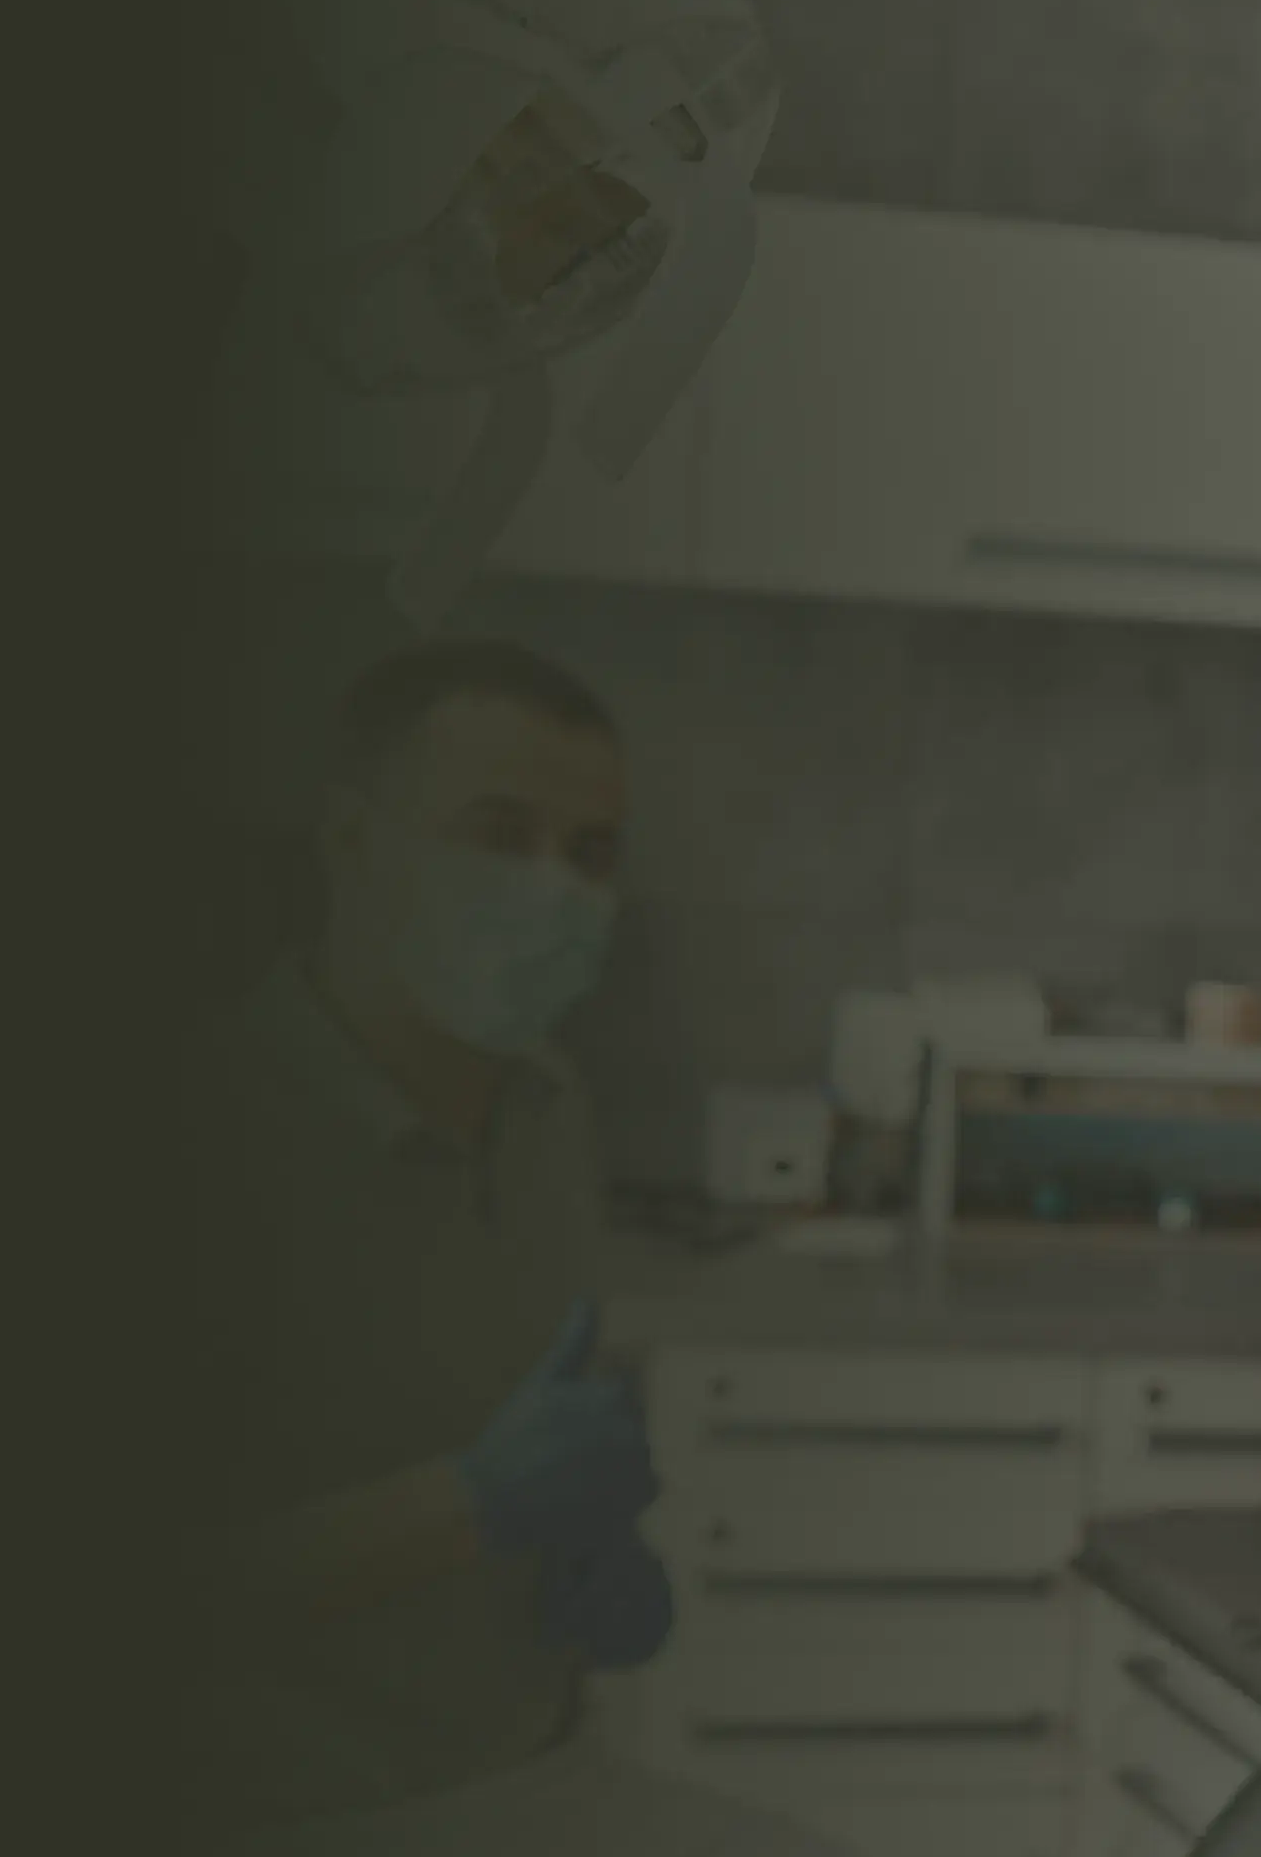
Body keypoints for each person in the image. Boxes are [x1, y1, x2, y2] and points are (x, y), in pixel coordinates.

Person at [192, 637, 835, 1855]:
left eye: (591, 854)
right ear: (350, 841)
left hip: (532, 1779)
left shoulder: (548, 1111)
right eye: (499, 835)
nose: (556, 889)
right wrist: (466, 1505)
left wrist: (591, 1557)